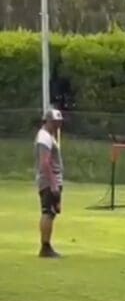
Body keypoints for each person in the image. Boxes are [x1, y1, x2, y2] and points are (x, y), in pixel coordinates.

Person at [35, 109, 65, 258]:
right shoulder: (44, 137)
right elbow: (45, 162)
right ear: (47, 121)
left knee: (52, 212)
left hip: (53, 179)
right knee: (48, 212)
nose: (57, 125)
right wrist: (53, 184)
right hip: (48, 180)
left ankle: (46, 245)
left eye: (59, 122)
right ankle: (45, 247)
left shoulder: (50, 136)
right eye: (54, 122)